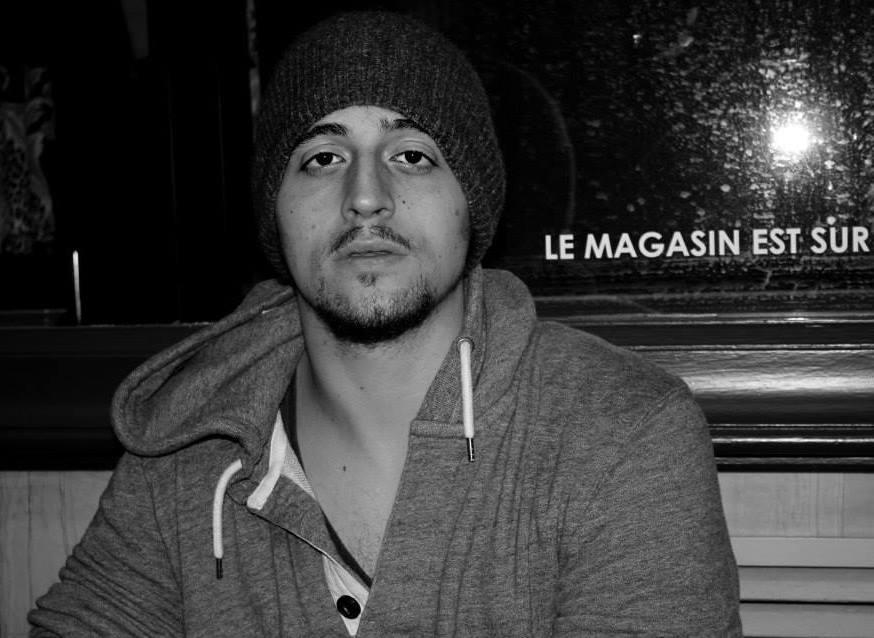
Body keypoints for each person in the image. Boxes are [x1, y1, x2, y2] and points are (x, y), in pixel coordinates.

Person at [29, 11, 741, 637]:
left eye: (411, 156)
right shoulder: (184, 446)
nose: (366, 196)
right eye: (322, 158)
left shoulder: (622, 433)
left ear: (472, 206)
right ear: (275, 211)